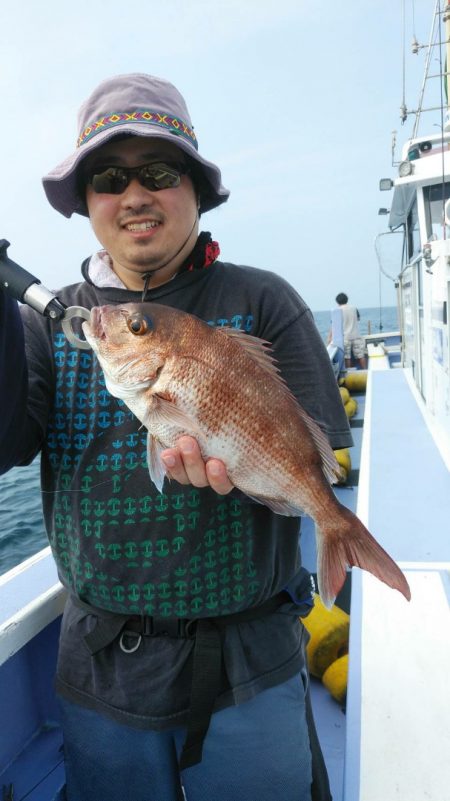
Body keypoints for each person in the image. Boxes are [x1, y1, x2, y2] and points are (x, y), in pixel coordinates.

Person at [0, 74, 353, 801]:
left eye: (158, 172)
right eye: (109, 177)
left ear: (195, 188)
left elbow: (313, 457)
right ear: (88, 202)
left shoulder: (264, 301)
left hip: (251, 667)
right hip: (100, 674)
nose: (134, 194)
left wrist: (284, 488)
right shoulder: (50, 321)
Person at [334, 292, 367, 369]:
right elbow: (358, 319)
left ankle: (349, 372)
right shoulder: (354, 308)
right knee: (361, 356)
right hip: (356, 335)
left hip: (345, 337)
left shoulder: (337, 310)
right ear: (347, 300)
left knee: (347, 357)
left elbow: (335, 326)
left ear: (337, 301)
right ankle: (365, 371)